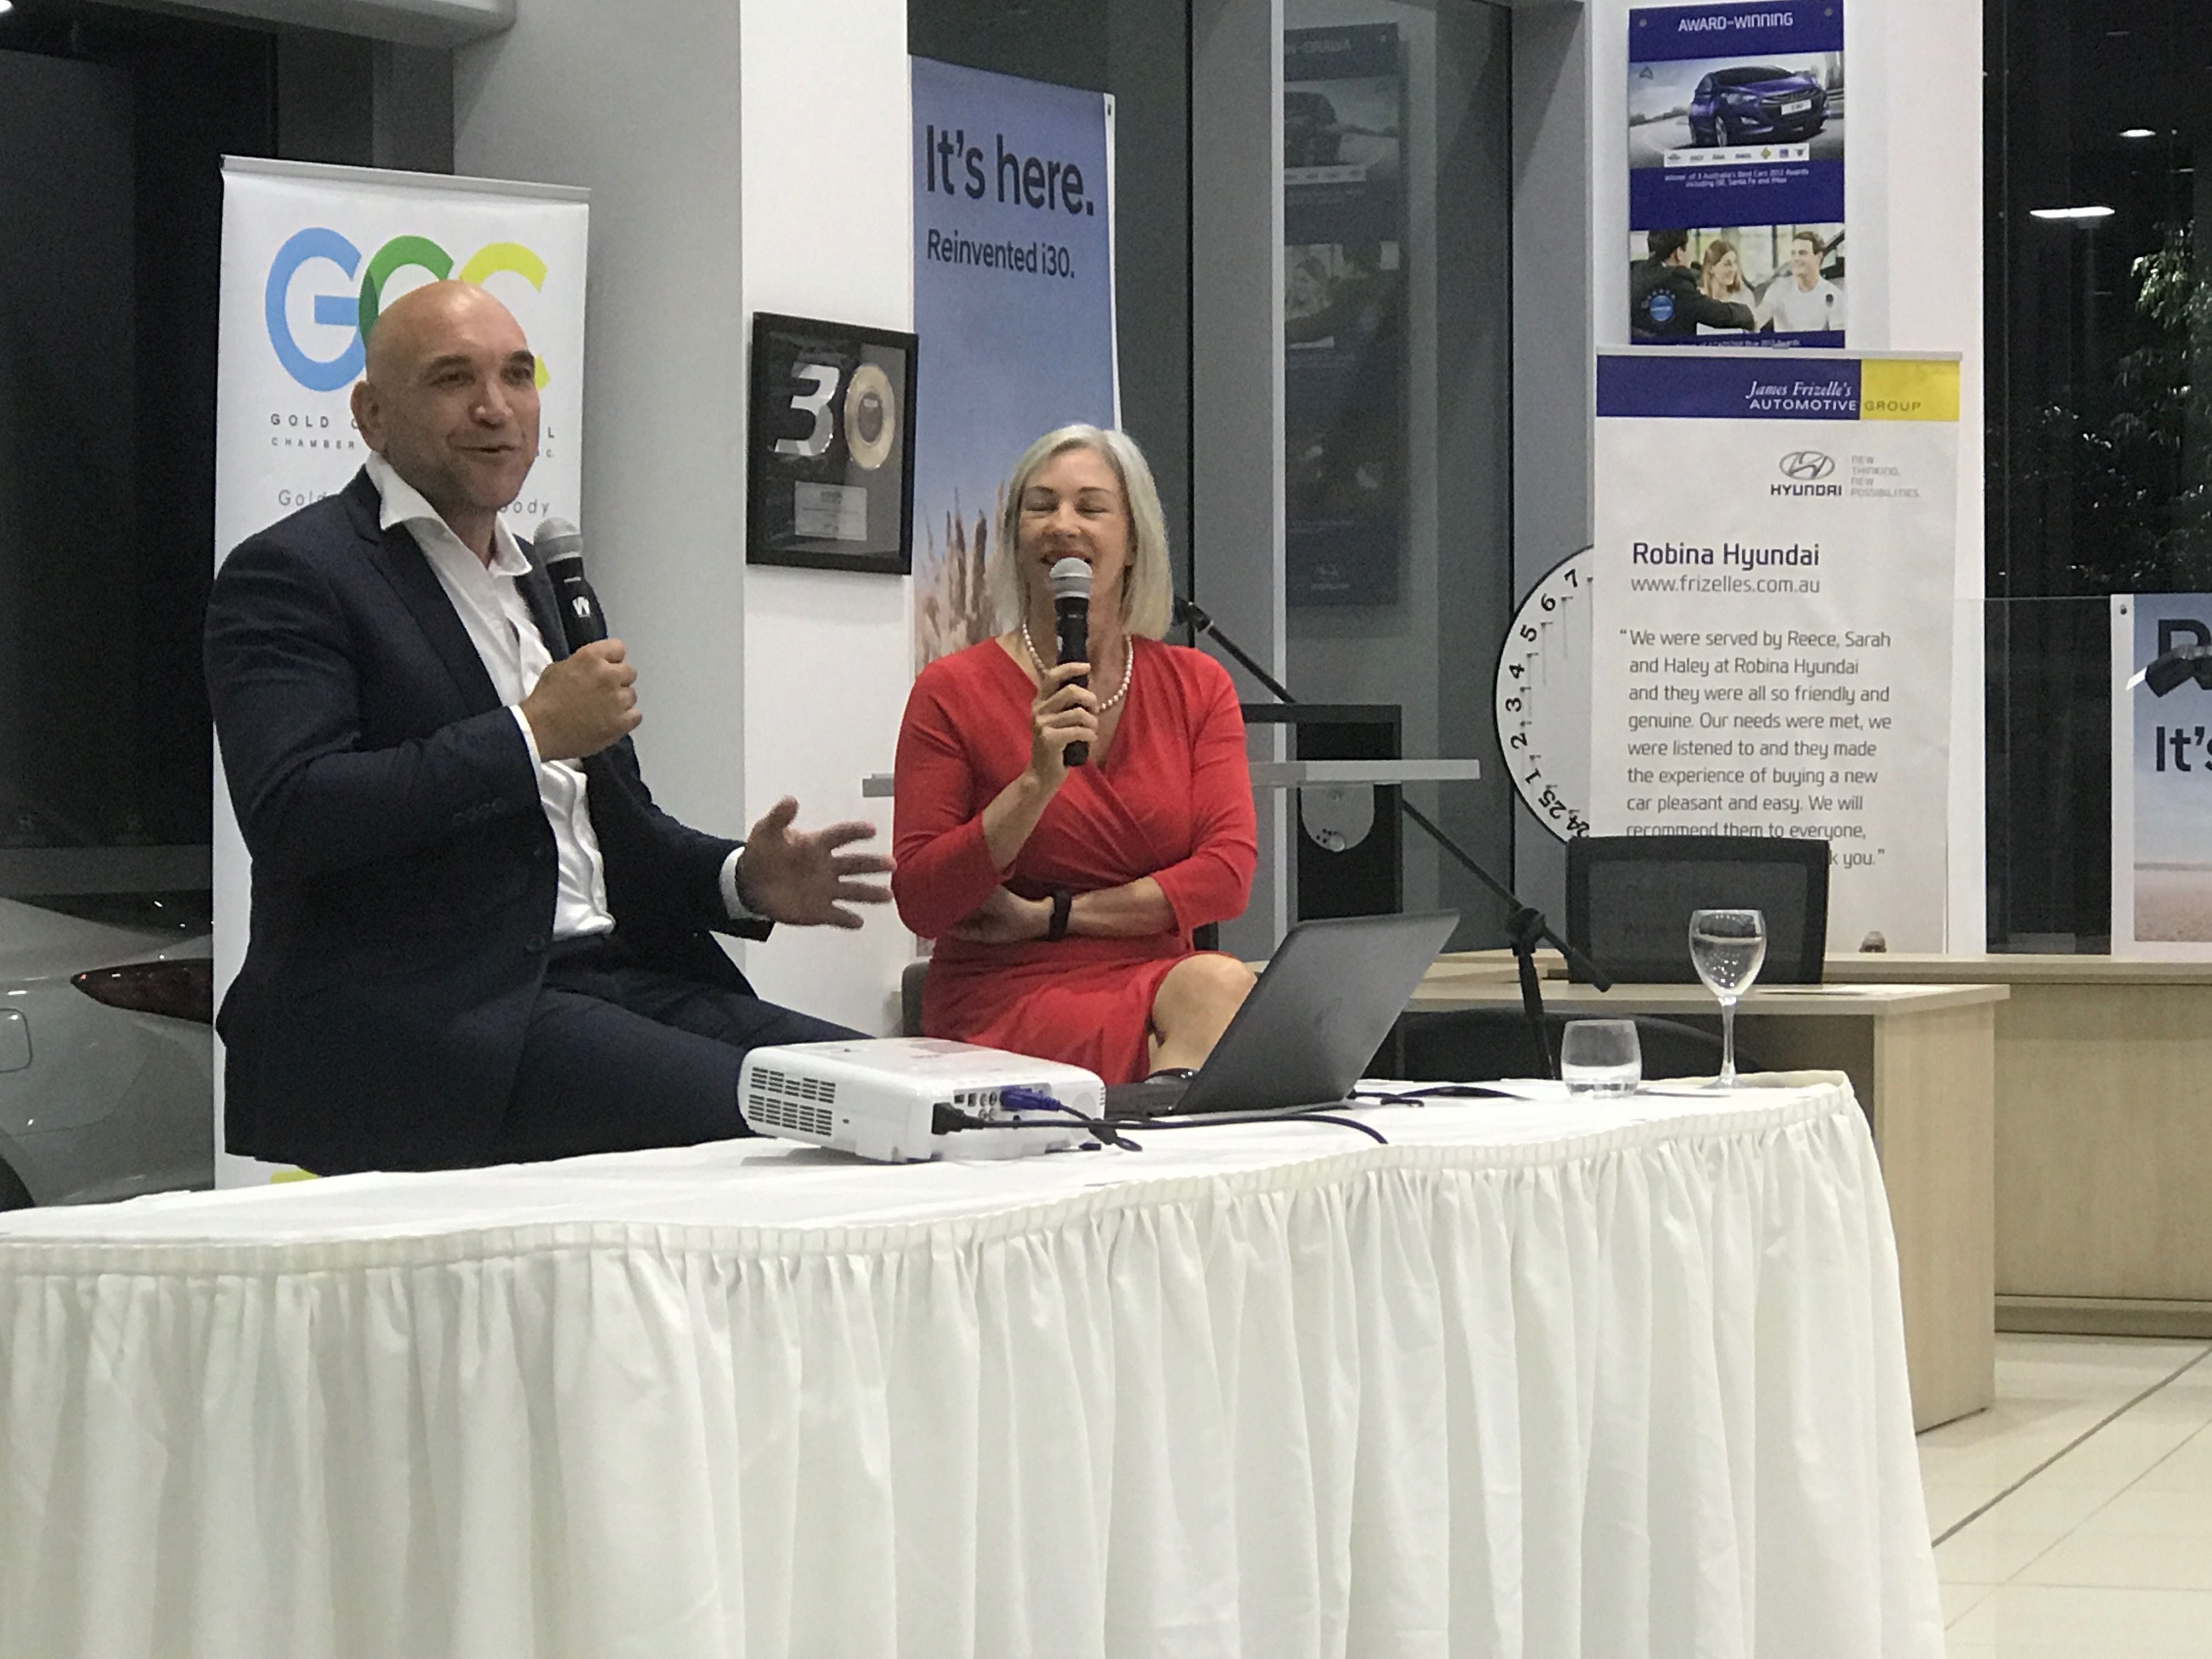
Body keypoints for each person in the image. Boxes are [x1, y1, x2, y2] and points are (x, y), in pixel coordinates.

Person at [204, 280, 893, 1175]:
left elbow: (618, 834)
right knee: (802, 1128)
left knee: (898, 1095)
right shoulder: (294, 572)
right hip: (432, 1020)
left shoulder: (542, 581)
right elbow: (296, 811)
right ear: (372, 414)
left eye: (518, 375)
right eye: (453, 378)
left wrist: (741, 880)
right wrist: (527, 731)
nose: (496, 407)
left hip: (610, 983)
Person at [891, 426, 1258, 1085]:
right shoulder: (951, 690)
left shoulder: (1197, 686)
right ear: (1015, 537)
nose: (1063, 525)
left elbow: (1226, 876)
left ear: (1134, 541)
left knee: (1224, 987)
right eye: (1041, 506)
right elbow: (922, 900)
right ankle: (1157, 1139)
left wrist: (1051, 917)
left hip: (1162, 977)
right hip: (1006, 990)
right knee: (1214, 1021)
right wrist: (1034, 784)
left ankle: (1152, 1135)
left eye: (1091, 507)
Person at [1630, 228, 1756, 339]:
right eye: (1689, 248)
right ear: (1679, 253)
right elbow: (1715, 313)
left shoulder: (1633, 271)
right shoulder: (1676, 280)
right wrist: (1747, 314)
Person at [1763, 228, 1848, 335]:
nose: (1796, 259)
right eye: (1793, 253)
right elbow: (1760, 316)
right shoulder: (1778, 288)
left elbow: (1838, 339)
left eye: (1802, 253)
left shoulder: (1834, 296)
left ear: (1818, 257)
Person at [1696, 239, 1757, 335]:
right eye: (1727, 264)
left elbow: (1753, 333)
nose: (1733, 269)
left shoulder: (1744, 296)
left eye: (1735, 263)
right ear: (1711, 268)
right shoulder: (1696, 298)